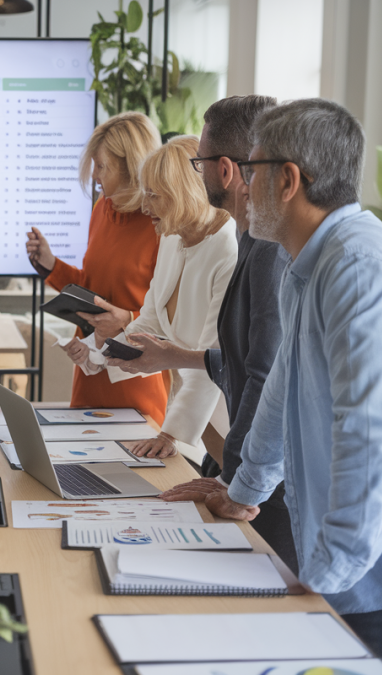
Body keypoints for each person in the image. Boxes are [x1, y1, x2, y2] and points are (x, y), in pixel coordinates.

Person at [203, 98, 382, 674]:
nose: (242, 188)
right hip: (362, 549)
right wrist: (245, 488)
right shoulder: (306, 261)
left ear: (288, 180)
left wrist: (322, 581)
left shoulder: (356, 269)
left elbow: (370, 441)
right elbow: (280, 389)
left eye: (250, 172)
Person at [106, 96, 298, 574]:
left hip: (270, 475)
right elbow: (229, 357)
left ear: (227, 170)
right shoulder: (250, 236)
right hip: (242, 458)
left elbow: (261, 373)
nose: (144, 203)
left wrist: (236, 480)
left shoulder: (261, 248)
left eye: (201, 162)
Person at [68, 136, 236, 460]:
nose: (145, 208)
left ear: (181, 193)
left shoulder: (228, 250)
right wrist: (96, 353)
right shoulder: (174, 238)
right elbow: (151, 321)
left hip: (233, 422)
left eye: (153, 196)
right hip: (204, 427)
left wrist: (170, 434)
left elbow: (213, 359)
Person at [24, 112, 167, 425]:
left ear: (132, 167)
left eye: (102, 166)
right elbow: (93, 289)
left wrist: (125, 320)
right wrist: (51, 265)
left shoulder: (161, 225)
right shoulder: (103, 208)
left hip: (136, 386)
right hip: (89, 373)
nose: (93, 175)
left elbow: (174, 319)